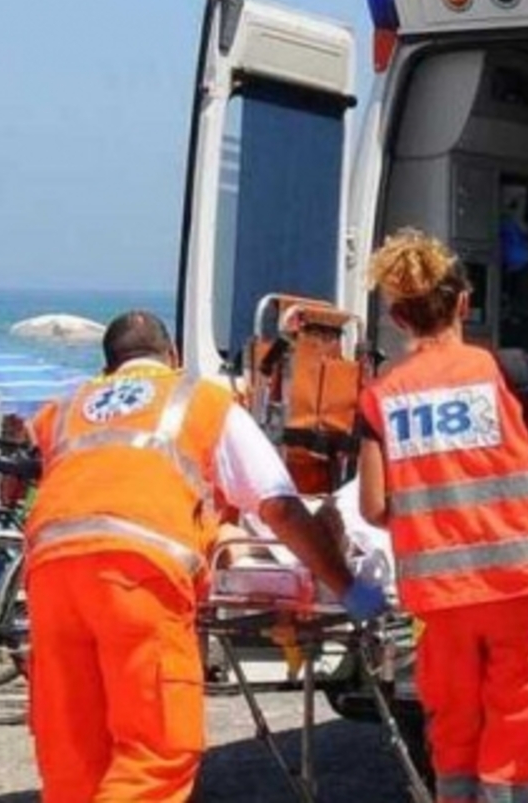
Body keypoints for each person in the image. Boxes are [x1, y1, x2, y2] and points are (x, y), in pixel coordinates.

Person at [24, 310, 386, 803]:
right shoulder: (198, 401)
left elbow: (97, 487)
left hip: (50, 577)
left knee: (73, 756)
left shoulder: (67, 408)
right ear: (172, 357)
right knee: (156, 752)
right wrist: (351, 590)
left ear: (108, 367)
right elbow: (279, 507)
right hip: (138, 577)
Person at [356, 228, 528, 803]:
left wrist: (432, 521)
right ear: (464, 302)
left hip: (437, 600)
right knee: (517, 719)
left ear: (399, 318)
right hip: (522, 590)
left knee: (453, 729)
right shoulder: (510, 370)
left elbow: (373, 506)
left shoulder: (381, 397)